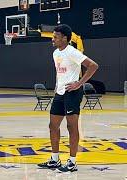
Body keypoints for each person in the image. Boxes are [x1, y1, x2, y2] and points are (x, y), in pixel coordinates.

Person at [37, 24, 98, 172]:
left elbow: (93, 66)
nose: (52, 39)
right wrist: (57, 86)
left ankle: (72, 161)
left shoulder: (72, 52)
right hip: (60, 93)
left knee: (72, 127)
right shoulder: (55, 53)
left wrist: (79, 83)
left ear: (65, 38)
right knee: (53, 126)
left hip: (72, 93)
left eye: (55, 37)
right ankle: (55, 159)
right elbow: (60, 73)